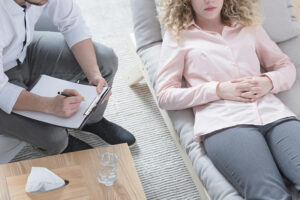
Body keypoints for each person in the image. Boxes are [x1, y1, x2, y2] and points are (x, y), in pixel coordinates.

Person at [156, 0, 300, 199]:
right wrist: (218, 90)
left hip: (276, 115)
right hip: (226, 124)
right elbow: (164, 96)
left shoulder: (248, 26)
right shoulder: (178, 37)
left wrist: (269, 81)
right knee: (270, 194)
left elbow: (284, 66)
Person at [0, 0, 136, 156]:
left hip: (23, 50)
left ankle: (91, 121)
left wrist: (94, 75)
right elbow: (2, 91)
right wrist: (49, 105)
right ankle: (62, 146)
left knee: (105, 60)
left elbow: (73, 23)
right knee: (55, 137)